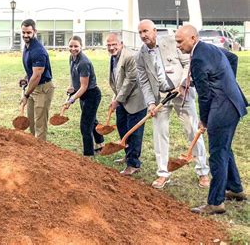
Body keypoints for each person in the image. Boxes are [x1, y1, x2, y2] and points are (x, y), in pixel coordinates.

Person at [175, 25, 248, 214]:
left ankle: (216, 202)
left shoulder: (198, 59)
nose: (178, 46)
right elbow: (233, 57)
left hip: (222, 108)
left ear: (193, 38)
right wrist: (228, 81)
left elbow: (204, 95)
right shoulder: (209, 47)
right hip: (233, 103)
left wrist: (204, 121)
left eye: (180, 41)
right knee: (224, 148)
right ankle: (236, 189)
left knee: (217, 153)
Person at [136, 19, 209, 189]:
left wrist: (183, 83)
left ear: (154, 31)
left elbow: (188, 63)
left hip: (181, 92)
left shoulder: (171, 42)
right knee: (160, 134)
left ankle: (203, 171)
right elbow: (144, 81)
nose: (143, 35)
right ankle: (163, 173)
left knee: (192, 130)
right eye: (140, 32)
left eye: (146, 31)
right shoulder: (141, 55)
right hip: (160, 96)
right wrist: (150, 103)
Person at [105, 33, 147, 174]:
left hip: (135, 100)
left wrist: (118, 100)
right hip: (122, 99)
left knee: (134, 132)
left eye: (114, 44)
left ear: (121, 43)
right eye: (109, 45)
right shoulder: (113, 58)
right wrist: (115, 98)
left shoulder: (129, 57)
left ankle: (133, 164)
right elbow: (117, 80)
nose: (111, 48)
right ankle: (128, 155)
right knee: (122, 128)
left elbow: (130, 81)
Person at [62, 36, 104, 157]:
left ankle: (88, 154)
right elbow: (73, 75)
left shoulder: (84, 62)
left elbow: (84, 86)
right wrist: (71, 87)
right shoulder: (72, 58)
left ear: (81, 46)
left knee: (85, 125)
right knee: (92, 120)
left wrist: (71, 99)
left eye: (76, 46)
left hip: (92, 94)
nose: (73, 49)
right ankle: (101, 144)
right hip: (82, 94)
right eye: (71, 46)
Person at [20, 19, 54, 141]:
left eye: (28, 32)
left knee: (40, 124)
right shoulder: (27, 46)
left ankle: (42, 155)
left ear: (35, 31)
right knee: (31, 123)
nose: (25, 35)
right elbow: (31, 70)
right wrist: (25, 78)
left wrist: (26, 94)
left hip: (43, 89)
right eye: (23, 32)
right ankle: (34, 153)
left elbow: (37, 76)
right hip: (32, 87)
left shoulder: (38, 51)